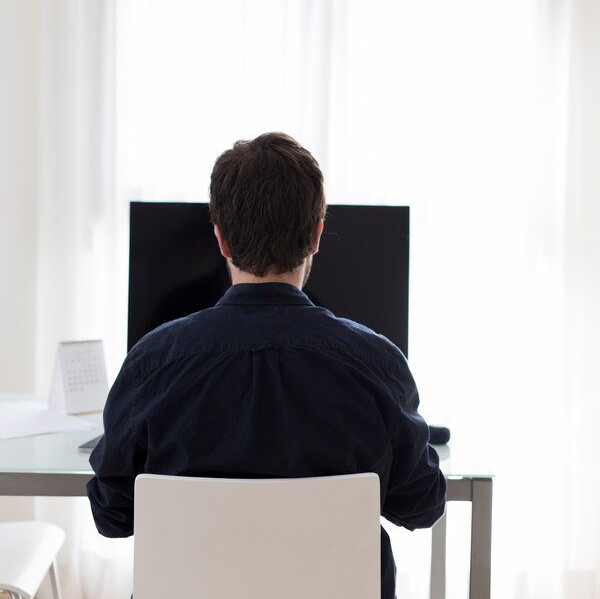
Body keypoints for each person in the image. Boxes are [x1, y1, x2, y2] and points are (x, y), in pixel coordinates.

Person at [87, 132, 446, 599]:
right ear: (317, 234)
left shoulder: (151, 364)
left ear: (219, 238)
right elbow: (420, 505)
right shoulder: (377, 364)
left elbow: (111, 515)